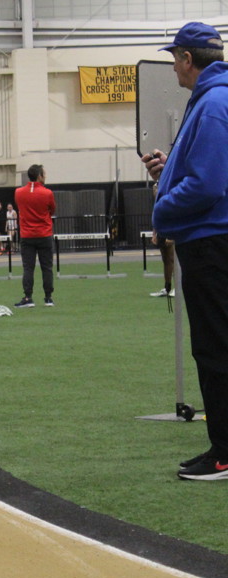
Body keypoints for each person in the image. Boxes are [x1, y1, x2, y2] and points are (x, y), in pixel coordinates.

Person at [142, 21, 228, 481]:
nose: (173, 66)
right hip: (213, 240)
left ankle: (225, 453)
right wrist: (168, 170)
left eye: (175, 57)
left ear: (187, 59)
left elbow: (208, 185)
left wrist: (163, 206)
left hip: (211, 243)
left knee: (215, 350)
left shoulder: (212, 104)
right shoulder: (213, 100)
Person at [14, 164, 57, 308]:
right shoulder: (47, 193)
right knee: (47, 267)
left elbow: (21, 208)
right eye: (44, 174)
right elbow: (52, 210)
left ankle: (28, 297)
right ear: (39, 176)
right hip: (44, 234)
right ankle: (48, 298)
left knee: (28, 268)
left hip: (27, 235)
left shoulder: (18, 192)